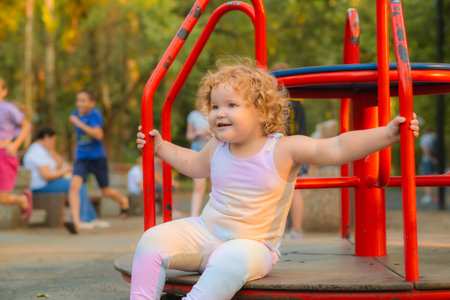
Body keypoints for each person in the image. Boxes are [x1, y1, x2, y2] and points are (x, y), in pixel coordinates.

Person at [132, 60, 420, 300]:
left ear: (260, 110)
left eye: (231, 105)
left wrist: (387, 134)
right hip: (207, 232)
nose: (219, 113)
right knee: (153, 238)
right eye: (215, 106)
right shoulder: (216, 146)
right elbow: (194, 165)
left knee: (228, 262)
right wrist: (161, 148)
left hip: (253, 245)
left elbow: (335, 148)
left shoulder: (282, 149)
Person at [23, 126, 109, 232]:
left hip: (49, 183)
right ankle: (85, 218)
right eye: (53, 140)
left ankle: (91, 218)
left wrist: (53, 151)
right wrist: (64, 172)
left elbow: (58, 164)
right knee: (78, 185)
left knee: (79, 184)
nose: (54, 143)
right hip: (42, 186)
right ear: (46, 137)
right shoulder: (37, 151)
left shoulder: (45, 150)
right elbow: (47, 176)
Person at [68, 89, 129, 232]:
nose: (80, 104)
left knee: (105, 192)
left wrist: (78, 123)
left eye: (83, 101)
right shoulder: (75, 115)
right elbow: (79, 139)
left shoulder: (94, 114)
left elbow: (98, 135)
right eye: (78, 100)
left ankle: (123, 200)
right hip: (82, 158)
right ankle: (76, 222)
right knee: (74, 186)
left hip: (97, 158)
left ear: (92, 103)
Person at [272, 62, 307, 239]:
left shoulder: (281, 103)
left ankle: (292, 228)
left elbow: (284, 127)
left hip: (285, 148)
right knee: (292, 190)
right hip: (298, 146)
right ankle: (294, 229)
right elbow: (302, 128)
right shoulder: (299, 101)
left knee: (285, 190)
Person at [0, 77, 33, 220]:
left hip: (4, 155)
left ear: (4, 91)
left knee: (3, 199)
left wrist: (15, 144)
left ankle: (23, 200)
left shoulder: (8, 109)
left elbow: (26, 125)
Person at [186, 108, 210, 216]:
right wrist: (196, 134)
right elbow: (189, 135)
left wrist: (207, 132)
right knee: (198, 186)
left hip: (213, 150)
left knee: (215, 187)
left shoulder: (215, 111)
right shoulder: (193, 115)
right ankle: (193, 216)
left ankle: (212, 215)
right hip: (197, 152)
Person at [420, 125, 438, 204]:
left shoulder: (425, 137)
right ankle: (436, 197)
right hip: (436, 160)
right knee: (436, 178)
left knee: (426, 178)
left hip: (427, 160)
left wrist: (431, 158)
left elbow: (424, 149)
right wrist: (435, 159)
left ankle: (428, 196)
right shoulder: (435, 137)